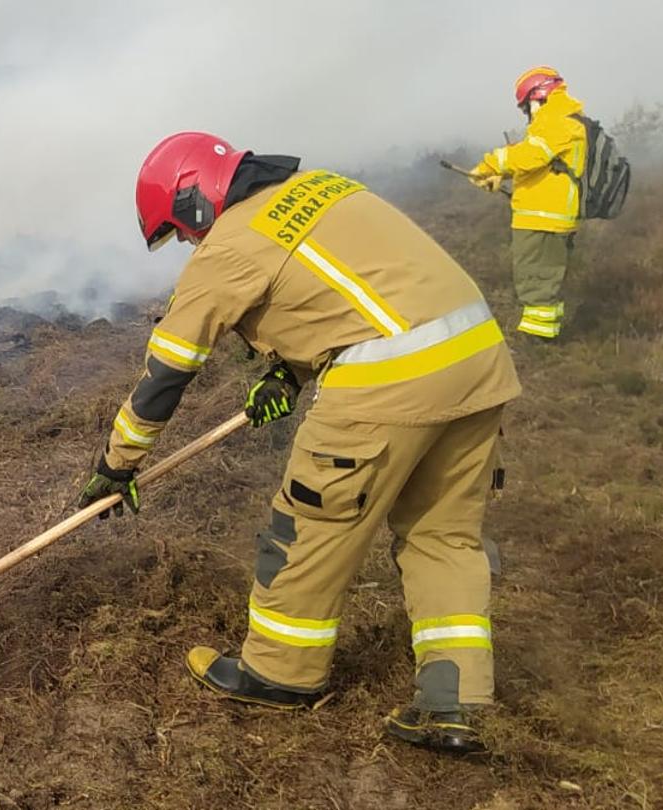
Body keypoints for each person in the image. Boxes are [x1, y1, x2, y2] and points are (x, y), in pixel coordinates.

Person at [78, 132, 520, 754]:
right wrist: (289, 367)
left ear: (196, 201)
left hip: (388, 384)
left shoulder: (228, 245)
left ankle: (279, 673)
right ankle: (452, 702)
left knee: (308, 526)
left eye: (182, 230)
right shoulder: (320, 185)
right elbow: (350, 291)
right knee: (441, 537)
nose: (188, 243)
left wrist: (116, 464)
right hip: (479, 363)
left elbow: (167, 371)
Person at [465, 66, 587, 340]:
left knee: (536, 280)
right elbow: (540, 164)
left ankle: (538, 341)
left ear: (538, 96)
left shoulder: (557, 119)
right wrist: (500, 176)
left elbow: (531, 156)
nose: (526, 112)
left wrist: (489, 164)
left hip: (544, 218)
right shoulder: (563, 118)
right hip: (546, 215)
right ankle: (547, 336)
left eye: (525, 106)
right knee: (544, 280)